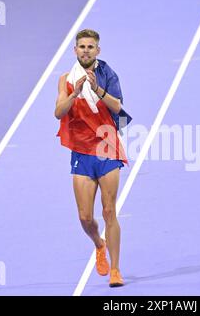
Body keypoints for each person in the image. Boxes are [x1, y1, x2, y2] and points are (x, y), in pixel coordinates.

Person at [54, 29, 130, 287]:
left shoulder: (107, 74)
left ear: (98, 51)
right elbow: (58, 112)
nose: (86, 50)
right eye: (82, 46)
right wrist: (75, 93)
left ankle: (116, 270)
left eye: (90, 47)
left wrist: (96, 88)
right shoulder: (65, 79)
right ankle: (99, 244)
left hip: (107, 147)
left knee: (109, 211)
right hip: (81, 153)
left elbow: (117, 107)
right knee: (85, 218)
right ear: (75, 51)